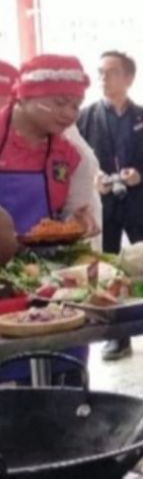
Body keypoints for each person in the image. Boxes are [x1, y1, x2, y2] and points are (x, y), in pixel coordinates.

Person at [0, 55, 99, 387]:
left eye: (76, 104)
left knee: (62, 384)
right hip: (4, 291)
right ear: (25, 95)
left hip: (49, 284)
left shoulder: (71, 155)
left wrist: (80, 222)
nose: (69, 114)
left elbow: (74, 216)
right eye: (59, 102)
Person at [76, 51, 143, 360]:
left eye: (112, 72)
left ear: (129, 78)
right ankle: (117, 336)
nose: (104, 78)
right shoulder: (83, 119)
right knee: (105, 270)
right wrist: (94, 177)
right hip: (104, 205)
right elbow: (74, 159)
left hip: (140, 202)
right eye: (100, 72)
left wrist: (141, 174)